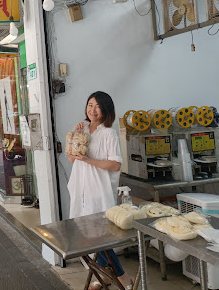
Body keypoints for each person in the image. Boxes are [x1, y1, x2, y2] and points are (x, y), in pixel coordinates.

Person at [66, 91, 133, 290]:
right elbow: (71, 158)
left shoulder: (109, 133)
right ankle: (106, 276)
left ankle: (116, 277)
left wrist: (89, 161)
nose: (92, 110)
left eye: (97, 106)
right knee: (87, 236)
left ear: (106, 109)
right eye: (89, 105)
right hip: (81, 188)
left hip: (99, 190)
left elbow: (115, 165)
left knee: (100, 237)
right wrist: (75, 136)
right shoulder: (83, 128)